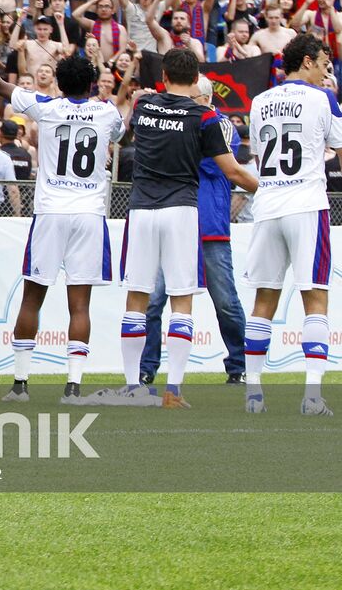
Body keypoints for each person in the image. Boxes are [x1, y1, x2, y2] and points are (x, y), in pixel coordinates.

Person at [102, 48, 258, 408]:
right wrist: (268, 190)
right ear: (196, 76)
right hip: (181, 211)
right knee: (181, 301)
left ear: (165, 77)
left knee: (137, 299)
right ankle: (173, 390)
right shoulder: (205, 117)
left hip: (141, 209)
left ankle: (133, 386)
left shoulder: (145, 106)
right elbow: (233, 171)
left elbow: (127, 135)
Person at [0, 53, 125, 402]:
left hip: (50, 212)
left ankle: (20, 386)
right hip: (89, 214)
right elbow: (121, 132)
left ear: (59, 83)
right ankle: (73, 387)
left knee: (32, 296)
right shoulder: (107, 112)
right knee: (80, 305)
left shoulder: (46, 107)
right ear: (92, 82)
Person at [242, 34, 342, 415]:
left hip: (267, 206)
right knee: (315, 298)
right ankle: (312, 397)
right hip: (306, 205)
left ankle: (253, 394)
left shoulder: (261, 101)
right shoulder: (323, 99)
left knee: (263, 301)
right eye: (321, 63)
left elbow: (258, 154)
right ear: (305, 63)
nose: (324, 70)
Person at [139, 77, 248, 388]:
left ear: (206, 98)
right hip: (174, 221)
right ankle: (147, 368)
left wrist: (178, 145)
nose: (186, 100)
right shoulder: (185, 121)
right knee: (153, 301)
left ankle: (239, 366)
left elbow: (217, 165)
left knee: (226, 302)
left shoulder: (223, 125)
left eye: (192, 96)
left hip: (210, 228)